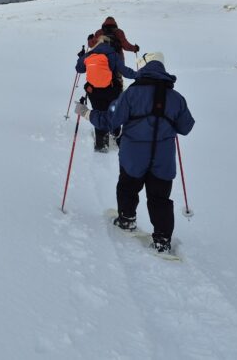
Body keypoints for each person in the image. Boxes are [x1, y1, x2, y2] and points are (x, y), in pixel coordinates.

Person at [75, 51, 195, 254]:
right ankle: (163, 239)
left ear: (143, 67)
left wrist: (86, 112)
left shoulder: (131, 94)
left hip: (133, 156)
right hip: (164, 160)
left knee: (128, 188)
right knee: (160, 198)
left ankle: (127, 220)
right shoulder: (176, 98)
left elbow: (109, 121)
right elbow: (186, 127)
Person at [76, 34, 138, 152]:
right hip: (110, 90)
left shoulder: (89, 54)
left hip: (93, 91)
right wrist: (138, 75)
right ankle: (115, 133)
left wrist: (81, 57)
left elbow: (79, 69)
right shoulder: (112, 54)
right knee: (113, 111)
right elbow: (125, 71)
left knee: (98, 112)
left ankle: (101, 144)